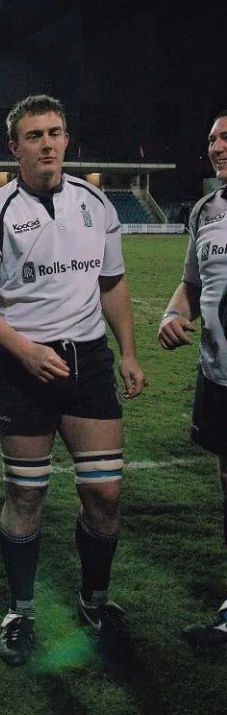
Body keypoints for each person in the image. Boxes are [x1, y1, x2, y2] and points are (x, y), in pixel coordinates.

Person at [0, 94, 145, 667]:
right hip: (23, 367)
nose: (47, 144)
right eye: (34, 135)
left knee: (105, 493)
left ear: (67, 140)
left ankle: (95, 600)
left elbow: (111, 282)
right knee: (25, 494)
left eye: (55, 133)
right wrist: (24, 349)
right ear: (14, 147)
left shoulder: (96, 203)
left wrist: (127, 354)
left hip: (87, 364)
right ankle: (21, 609)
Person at [158, 108, 227, 645]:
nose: (218, 146)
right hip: (218, 375)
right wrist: (172, 313)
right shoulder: (205, 211)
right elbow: (190, 285)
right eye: (212, 139)